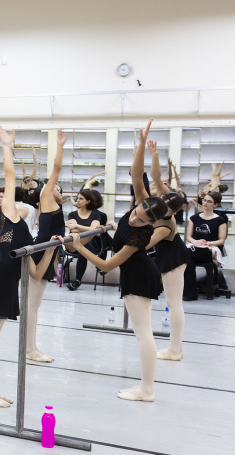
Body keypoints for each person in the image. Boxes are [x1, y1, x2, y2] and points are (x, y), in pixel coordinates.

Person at [72, 119, 168, 402]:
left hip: (139, 277)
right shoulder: (141, 203)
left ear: (151, 222)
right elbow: (137, 176)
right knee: (142, 332)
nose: (136, 217)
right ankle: (146, 387)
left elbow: (106, 265)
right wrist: (140, 144)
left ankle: (147, 389)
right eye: (137, 212)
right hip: (135, 274)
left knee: (143, 334)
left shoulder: (139, 236)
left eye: (142, 219)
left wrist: (79, 246)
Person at [0, 128, 52, 407]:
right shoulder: (8, 218)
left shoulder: (23, 231)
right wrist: (7, 145)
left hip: (9, 285)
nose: (8, 200)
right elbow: (9, 176)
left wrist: (51, 248)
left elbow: (36, 273)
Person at [22, 130, 68, 363]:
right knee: (31, 305)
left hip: (47, 249)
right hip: (41, 250)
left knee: (35, 306)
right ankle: (29, 349)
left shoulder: (55, 207)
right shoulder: (46, 197)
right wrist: (60, 145)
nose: (58, 190)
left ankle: (32, 347)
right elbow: (56, 169)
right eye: (56, 187)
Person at [144, 140, 188, 360]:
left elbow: (146, 244)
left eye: (163, 199)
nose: (159, 199)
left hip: (174, 257)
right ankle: (175, 348)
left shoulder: (165, 220)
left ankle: (175, 349)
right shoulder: (166, 204)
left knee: (173, 303)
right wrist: (154, 156)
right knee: (172, 303)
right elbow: (156, 178)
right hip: (171, 255)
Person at [185, 191, 228, 300]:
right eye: (204, 200)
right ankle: (190, 291)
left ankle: (190, 292)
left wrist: (208, 243)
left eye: (209, 201)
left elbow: (221, 240)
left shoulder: (220, 220)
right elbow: (188, 237)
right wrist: (195, 241)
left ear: (215, 205)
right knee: (187, 256)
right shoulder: (194, 218)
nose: (205, 203)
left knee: (188, 256)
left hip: (209, 249)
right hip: (196, 248)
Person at [65, 189, 103, 290]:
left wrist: (78, 226)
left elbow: (93, 230)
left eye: (81, 199)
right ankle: (99, 265)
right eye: (77, 198)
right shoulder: (72, 214)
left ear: (88, 201)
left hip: (89, 243)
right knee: (82, 246)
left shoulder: (95, 215)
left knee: (83, 248)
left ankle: (77, 281)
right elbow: (71, 228)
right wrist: (88, 229)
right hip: (72, 244)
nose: (77, 200)